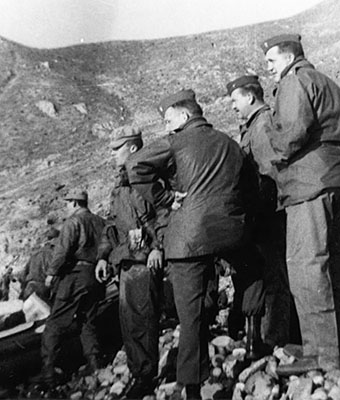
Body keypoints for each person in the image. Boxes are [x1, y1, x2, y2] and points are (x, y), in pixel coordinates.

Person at [126, 89, 265, 399]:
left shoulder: (175, 142)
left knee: (191, 315)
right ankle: (251, 338)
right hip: (231, 233)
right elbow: (251, 189)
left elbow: (135, 165)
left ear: (185, 116)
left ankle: (192, 387)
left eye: (167, 120)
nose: (165, 127)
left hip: (188, 240)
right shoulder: (230, 144)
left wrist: (164, 198)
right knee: (253, 271)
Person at [261, 33, 340, 374]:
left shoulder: (294, 82)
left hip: (309, 185)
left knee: (307, 266)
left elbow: (290, 134)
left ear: (288, 57)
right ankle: (333, 350)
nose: (270, 69)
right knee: (334, 265)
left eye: (271, 62)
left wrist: (270, 143)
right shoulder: (330, 83)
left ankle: (321, 356)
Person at [93, 126, 163, 398]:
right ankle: (140, 372)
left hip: (144, 261)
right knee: (129, 321)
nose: (112, 155)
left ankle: (146, 376)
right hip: (126, 260)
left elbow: (161, 216)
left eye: (116, 149)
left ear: (132, 149)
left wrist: (158, 247)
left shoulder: (146, 179)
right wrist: (102, 257)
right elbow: (111, 225)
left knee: (142, 320)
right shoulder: (120, 186)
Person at [227, 75, 295, 348]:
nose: (233, 107)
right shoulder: (253, 125)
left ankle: (276, 336)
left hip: (269, 211)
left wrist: (260, 212)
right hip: (264, 210)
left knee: (274, 275)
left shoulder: (262, 123)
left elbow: (269, 172)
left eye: (235, 100)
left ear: (250, 97)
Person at [33, 189, 106, 385]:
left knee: (54, 323)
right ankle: (95, 362)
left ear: (74, 203)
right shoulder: (100, 222)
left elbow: (62, 250)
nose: (66, 207)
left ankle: (48, 371)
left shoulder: (72, 222)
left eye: (67, 203)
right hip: (96, 276)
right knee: (87, 320)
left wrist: (51, 274)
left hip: (75, 277)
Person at [19, 227, 59, 303]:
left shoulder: (35, 253)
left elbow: (23, 273)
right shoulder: (54, 254)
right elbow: (56, 273)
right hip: (43, 288)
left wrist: (23, 289)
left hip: (29, 287)